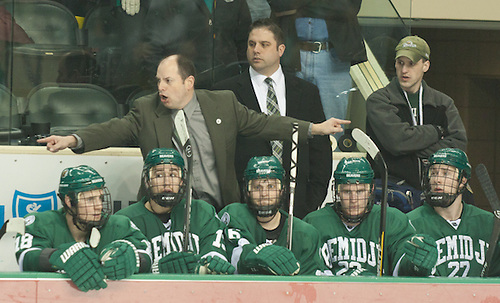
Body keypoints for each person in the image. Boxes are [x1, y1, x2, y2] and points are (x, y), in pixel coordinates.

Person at [37, 54, 350, 212]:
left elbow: (265, 123)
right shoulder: (146, 110)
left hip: (217, 208)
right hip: (165, 210)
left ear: (189, 83)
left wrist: (313, 128)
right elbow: (112, 129)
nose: (160, 87)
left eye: (168, 81)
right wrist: (73, 139)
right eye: (158, 81)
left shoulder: (223, 104)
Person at [213, 18, 332, 219]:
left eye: (264, 45)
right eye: (252, 44)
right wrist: (233, 205)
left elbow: (320, 154)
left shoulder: (306, 92)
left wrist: (310, 205)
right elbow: (219, 154)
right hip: (243, 207)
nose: (256, 50)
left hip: (297, 206)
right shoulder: (226, 92)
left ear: (281, 50)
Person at [15, 165, 152, 292]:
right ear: (69, 201)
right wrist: (60, 256)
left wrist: (133, 258)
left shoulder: (118, 224)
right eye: (90, 200)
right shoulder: (42, 223)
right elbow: (25, 258)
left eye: (100, 198)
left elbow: (147, 255)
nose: (99, 205)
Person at [366, 35, 467, 205]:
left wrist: (411, 148)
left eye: (411, 64)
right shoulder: (379, 100)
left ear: (425, 65)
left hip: (436, 188)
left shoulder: (443, 103)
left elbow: (458, 145)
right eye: (400, 63)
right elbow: (397, 141)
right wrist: (437, 132)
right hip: (392, 191)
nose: (404, 70)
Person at [304, 157, 438, 276]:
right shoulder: (315, 222)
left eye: (360, 191)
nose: (353, 199)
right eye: (346, 191)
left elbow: (403, 267)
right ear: (337, 191)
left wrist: (416, 264)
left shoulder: (391, 219)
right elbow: (310, 273)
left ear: (371, 190)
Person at [115, 148, 235, 274]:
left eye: (173, 175)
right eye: (159, 175)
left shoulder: (202, 212)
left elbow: (214, 255)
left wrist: (211, 266)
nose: (167, 183)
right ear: (147, 181)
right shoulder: (126, 219)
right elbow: (129, 267)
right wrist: (157, 269)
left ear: (182, 181)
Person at [218, 156, 330, 275]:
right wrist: (254, 255)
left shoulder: (305, 234)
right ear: (247, 190)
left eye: (271, 187)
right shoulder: (234, 215)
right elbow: (231, 257)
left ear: (282, 190)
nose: (264, 194)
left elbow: (310, 284)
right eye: (257, 187)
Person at [268, 0, 367, 123]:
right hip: (291, 56)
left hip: (331, 59)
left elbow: (348, 7)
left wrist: (299, 6)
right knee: (290, 124)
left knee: (332, 124)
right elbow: (279, 4)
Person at [407, 148, 500, 277]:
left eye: (445, 173)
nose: (437, 180)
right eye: (433, 173)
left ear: (462, 180)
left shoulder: (489, 223)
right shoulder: (410, 223)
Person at [138, 0, 252, 88]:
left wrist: (244, 81)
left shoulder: (234, 2)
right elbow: (152, 48)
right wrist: (164, 83)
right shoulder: (169, 2)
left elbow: (244, 44)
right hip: (184, 85)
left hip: (227, 84)